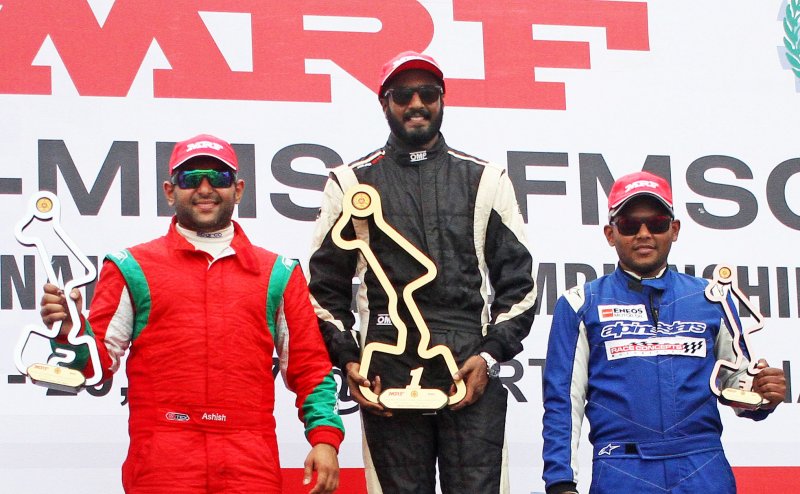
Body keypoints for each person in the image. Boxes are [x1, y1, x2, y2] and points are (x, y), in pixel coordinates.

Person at [39, 134, 344, 494]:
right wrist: (70, 330)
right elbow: (95, 366)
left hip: (248, 461)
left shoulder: (278, 272)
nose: (204, 189)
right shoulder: (130, 266)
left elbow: (310, 367)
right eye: (190, 179)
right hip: (161, 461)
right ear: (170, 191)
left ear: (239, 189)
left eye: (218, 178)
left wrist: (324, 438)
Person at [307, 51, 537, 493]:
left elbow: (520, 287)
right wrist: (350, 360)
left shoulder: (486, 178)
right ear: (384, 102)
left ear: (442, 99)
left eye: (427, 93)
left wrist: (488, 357)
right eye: (403, 95)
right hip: (385, 376)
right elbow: (323, 293)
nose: (416, 103)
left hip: (467, 373)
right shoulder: (350, 183)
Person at [541, 171, 787, 494]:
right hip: (622, 469)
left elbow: (735, 383)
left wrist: (761, 393)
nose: (644, 234)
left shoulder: (711, 298)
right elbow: (562, 402)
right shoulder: (579, 304)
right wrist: (560, 483)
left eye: (656, 223)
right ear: (610, 233)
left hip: (703, 466)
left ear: (674, 230)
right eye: (629, 224)